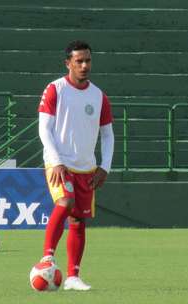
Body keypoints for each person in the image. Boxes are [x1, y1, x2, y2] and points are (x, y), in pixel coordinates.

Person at [38, 40, 114, 291]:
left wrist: (105, 166)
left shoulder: (99, 96)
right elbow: (44, 129)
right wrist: (56, 160)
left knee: (79, 222)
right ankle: (47, 256)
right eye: (79, 61)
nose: (84, 65)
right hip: (59, 163)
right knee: (65, 202)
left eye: (88, 60)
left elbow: (108, 135)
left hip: (87, 168)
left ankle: (73, 277)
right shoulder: (55, 89)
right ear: (68, 63)